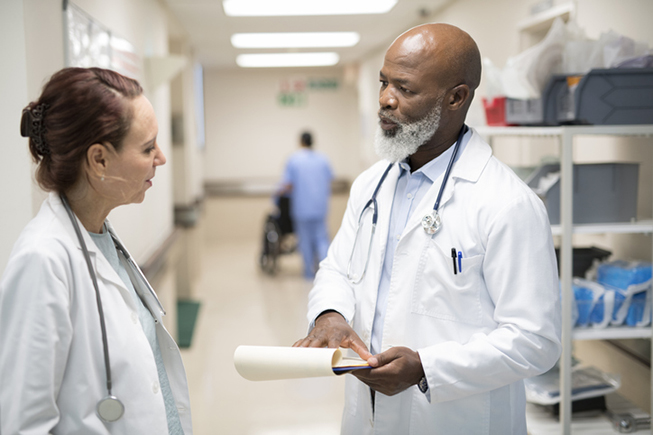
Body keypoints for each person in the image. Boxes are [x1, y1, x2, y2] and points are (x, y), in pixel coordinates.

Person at [293, 23, 561, 434]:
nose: (385, 99)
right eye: (383, 83)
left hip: (457, 419)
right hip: (366, 415)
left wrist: (426, 368)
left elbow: (535, 341)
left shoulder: (507, 203)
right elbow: (337, 267)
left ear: (456, 97)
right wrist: (329, 313)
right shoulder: (371, 184)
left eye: (405, 89)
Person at [0, 67, 191, 434]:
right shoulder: (43, 260)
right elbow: (24, 423)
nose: (161, 158)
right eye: (148, 147)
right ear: (99, 160)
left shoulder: (100, 237)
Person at [279, 131, 334, 279]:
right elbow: (329, 178)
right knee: (322, 239)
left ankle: (308, 273)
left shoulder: (294, 160)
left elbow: (288, 184)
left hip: (302, 208)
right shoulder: (323, 159)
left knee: (305, 241)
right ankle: (325, 273)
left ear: (301, 142)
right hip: (319, 207)